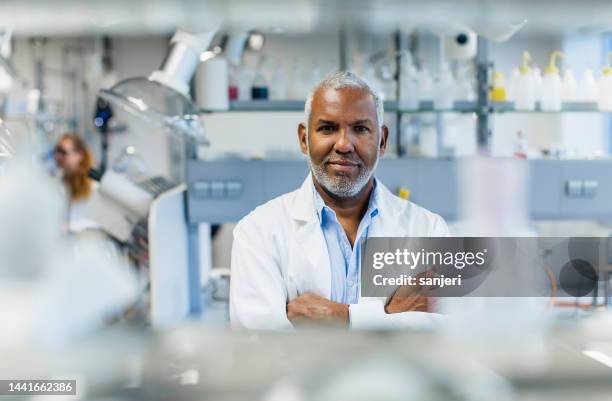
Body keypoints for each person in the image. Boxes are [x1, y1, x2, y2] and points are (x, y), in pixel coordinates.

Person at [230, 71, 449, 330]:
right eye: (328, 128)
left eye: (360, 129)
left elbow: (444, 335)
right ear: (304, 139)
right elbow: (260, 348)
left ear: (381, 140)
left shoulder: (428, 229)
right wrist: (389, 315)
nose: (344, 144)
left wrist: (344, 318)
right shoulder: (258, 232)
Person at [54, 133, 99, 232]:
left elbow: (102, 222)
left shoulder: (94, 184)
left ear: (79, 155)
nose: (58, 157)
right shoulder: (60, 181)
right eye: (56, 151)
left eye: (63, 152)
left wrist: (71, 227)